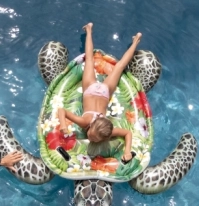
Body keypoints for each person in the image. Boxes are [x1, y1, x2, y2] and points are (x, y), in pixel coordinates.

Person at [57, 23, 142, 163]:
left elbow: (127, 133)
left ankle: (135, 39)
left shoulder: (107, 131)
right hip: (94, 90)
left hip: (101, 91)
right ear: (92, 126)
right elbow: (62, 111)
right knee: (96, 61)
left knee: (111, 64)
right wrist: (63, 125)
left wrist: (127, 151)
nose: (90, 138)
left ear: (105, 138)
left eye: (94, 138)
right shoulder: (85, 122)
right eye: (91, 135)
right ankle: (91, 30)